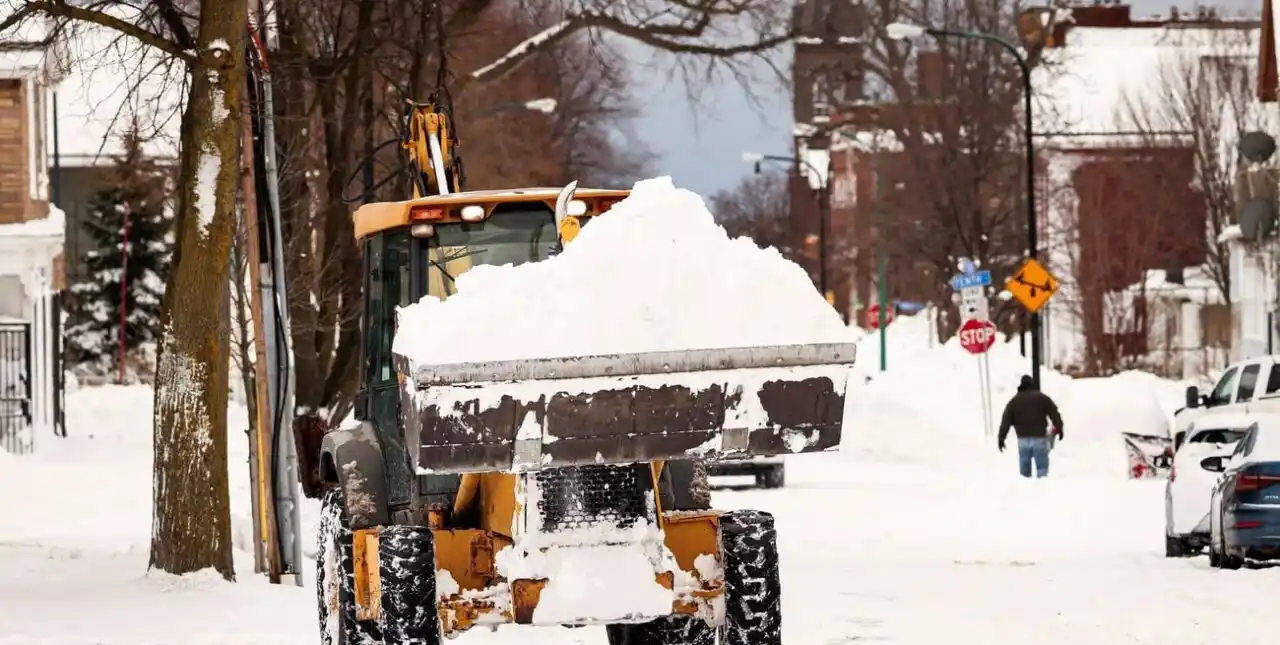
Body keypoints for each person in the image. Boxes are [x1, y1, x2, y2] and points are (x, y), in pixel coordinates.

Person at [997, 375, 1064, 478]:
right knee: (1042, 469)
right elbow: (1054, 412)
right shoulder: (1042, 398)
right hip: (1039, 438)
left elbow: (1006, 420)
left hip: (1022, 439)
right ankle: (1042, 489)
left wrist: (1001, 438)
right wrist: (1059, 427)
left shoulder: (1014, 401)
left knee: (1024, 473)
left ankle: (1026, 491)